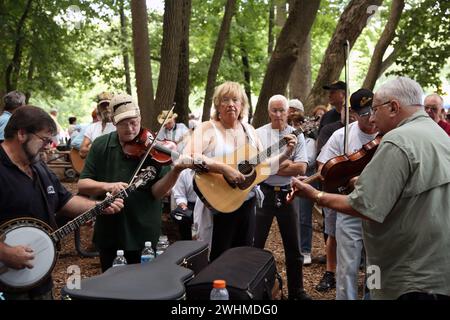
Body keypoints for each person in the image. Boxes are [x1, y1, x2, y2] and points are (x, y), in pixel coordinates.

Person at [291, 77, 450, 300]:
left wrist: (315, 194)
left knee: (372, 280)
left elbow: (364, 205)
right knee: (354, 271)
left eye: (375, 110)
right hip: (439, 270)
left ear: (394, 107)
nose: (372, 118)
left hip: (408, 276)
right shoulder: (439, 134)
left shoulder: (397, 141)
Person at [0, 106, 123, 300]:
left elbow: (65, 201)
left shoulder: (38, 166)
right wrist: (4, 253)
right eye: (45, 139)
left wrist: (99, 207)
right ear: (22, 133)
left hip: (39, 279)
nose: (50, 146)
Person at [78, 93, 196, 272]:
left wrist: (176, 171)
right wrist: (108, 186)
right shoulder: (100, 145)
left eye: (134, 122)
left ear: (140, 118)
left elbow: (158, 192)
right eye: (123, 123)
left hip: (144, 232)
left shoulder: (153, 147)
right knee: (110, 287)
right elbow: (83, 184)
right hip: (109, 232)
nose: (130, 128)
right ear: (114, 122)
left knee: (144, 288)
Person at [183, 81, 297, 261]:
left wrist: (285, 154)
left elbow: (263, 167)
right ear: (217, 105)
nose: (230, 104)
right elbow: (187, 157)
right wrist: (223, 168)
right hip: (216, 206)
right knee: (216, 260)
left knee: (241, 258)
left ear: (242, 105)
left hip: (246, 203)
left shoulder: (249, 131)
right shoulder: (207, 128)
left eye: (235, 99)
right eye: (225, 100)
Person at [319, 88, 378, 299]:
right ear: (352, 113)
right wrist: (346, 179)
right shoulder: (341, 135)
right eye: (364, 113)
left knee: (375, 267)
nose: (371, 117)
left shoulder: (388, 135)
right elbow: (322, 169)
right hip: (350, 207)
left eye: (373, 110)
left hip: (378, 211)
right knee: (348, 267)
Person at [254, 95, 310, 300]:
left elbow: (302, 166)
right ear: (269, 112)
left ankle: (297, 291)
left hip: (289, 193)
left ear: (288, 112)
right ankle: (253, 289)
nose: (278, 114)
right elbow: (259, 170)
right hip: (264, 193)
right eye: (274, 110)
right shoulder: (259, 134)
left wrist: (272, 166)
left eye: (282, 110)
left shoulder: (297, 135)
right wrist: (284, 164)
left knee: (294, 247)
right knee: (255, 244)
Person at [79, 92, 116, 159]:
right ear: (99, 109)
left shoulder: (119, 126)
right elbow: (82, 152)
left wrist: (92, 147)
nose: (107, 108)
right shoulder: (92, 128)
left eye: (109, 105)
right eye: (103, 106)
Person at [171, 169, 198, 240]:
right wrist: (183, 206)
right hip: (190, 205)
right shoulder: (184, 173)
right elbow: (180, 195)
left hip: (209, 205)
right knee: (183, 220)